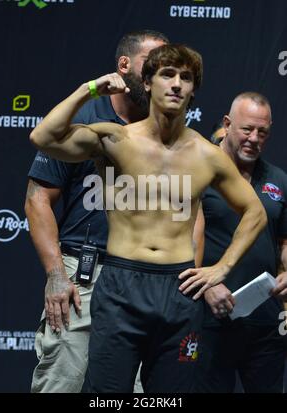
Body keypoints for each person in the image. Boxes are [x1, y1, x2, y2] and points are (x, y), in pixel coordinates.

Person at [29, 44, 267, 393]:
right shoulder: (115, 139)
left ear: (193, 90)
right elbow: (43, 137)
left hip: (178, 288)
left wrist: (222, 268)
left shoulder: (208, 154)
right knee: (105, 396)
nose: (176, 84)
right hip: (121, 283)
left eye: (185, 78)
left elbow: (255, 212)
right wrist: (90, 89)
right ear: (148, 82)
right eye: (167, 74)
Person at [25, 29, 169, 393]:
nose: (158, 76)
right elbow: (37, 199)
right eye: (150, 66)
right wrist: (56, 274)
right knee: (64, 382)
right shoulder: (84, 119)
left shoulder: (166, 129)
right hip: (83, 279)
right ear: (124, 66)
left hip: (141, 279)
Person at [193, 92, 287, 393]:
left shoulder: (278, 180)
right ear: (227, 123)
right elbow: (176, 241)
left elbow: (284, 240)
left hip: (265, 320)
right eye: (247, 129)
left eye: (263, 132)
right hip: (209, 318)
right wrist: (206, 285)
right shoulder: (198, 172)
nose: (254, 138)